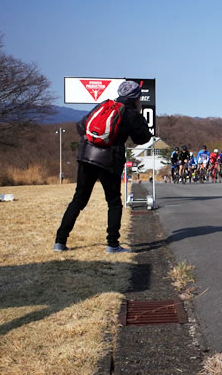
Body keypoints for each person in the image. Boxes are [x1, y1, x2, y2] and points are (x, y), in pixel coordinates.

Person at [54, 80, 152, 253]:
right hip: (110, 161)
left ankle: (60, 242)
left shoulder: (104, 105)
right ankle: (112, 244)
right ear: (136, 97)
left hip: (86, 156)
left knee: (79, 199)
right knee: (113, 201)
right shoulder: (131, 113)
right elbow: (143, 138)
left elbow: (81, 126)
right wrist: (139, 117)